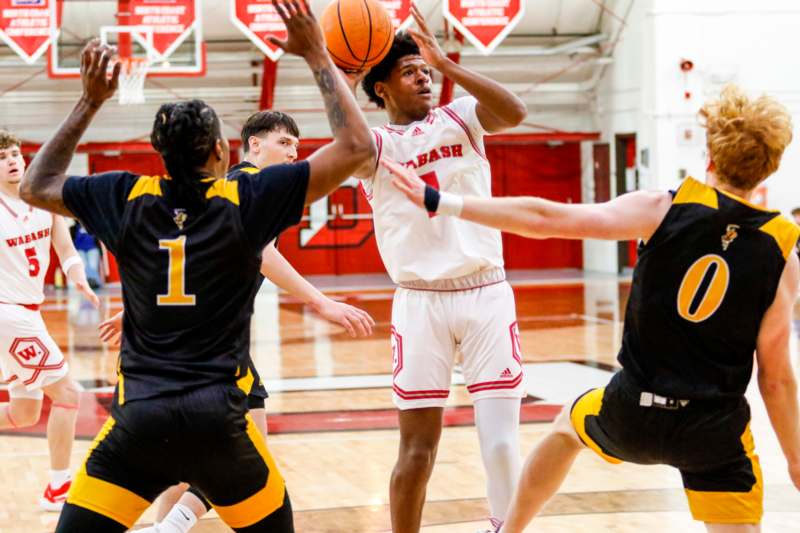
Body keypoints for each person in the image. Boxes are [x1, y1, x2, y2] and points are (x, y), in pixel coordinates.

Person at [20, 0, 376, 530]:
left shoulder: (125, 195)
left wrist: (90, 102)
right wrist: (319, 54)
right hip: (218, 422)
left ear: (160, 153)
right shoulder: (246, 196)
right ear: (219, 150)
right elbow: (357, 145)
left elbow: (34, 186)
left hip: (139, 419)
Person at [384, 84, 800, 533]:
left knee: (567, 428)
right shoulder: (782, 251)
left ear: (711, 156)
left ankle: (509, 530)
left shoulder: (663, 207)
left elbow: (545, 219)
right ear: (769, 170)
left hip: (631, 411)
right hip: (713, 431)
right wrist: (796, 462)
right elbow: (775, 378)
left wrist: (441, 201)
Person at [101, 109, 376, 533]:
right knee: (247, 448)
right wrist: (321, 302)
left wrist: (137, 310)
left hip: (183, 345)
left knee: (181, 456)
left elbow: (184, 257)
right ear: (253, 144)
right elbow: (264, 254)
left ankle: (164, 529)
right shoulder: (244, 186)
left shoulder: (224, 187)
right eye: (284, 143)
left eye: (297, 148)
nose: (292, 154)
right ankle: (170, 526)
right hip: (212, 352)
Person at [352, 5, 527, 532]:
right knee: (417, 452)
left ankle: (507, 527)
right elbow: (348, 139)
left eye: (425, 69)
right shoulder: (374, 147)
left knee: (499, 444)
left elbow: (515, 113)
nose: (423, 76)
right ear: (381, 89)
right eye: (409, 71)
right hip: (419, 300)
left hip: (486, 291)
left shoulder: (462, 118)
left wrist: (448, 66)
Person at [0, 129, 99, 511]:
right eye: (2, 156)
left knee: (23, 414)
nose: (12, 160)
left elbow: (65, 247)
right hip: (8, 315)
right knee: (69, 395)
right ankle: (58, 489)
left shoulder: (40, 198)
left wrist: (79, 280)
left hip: (29, 312)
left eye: (14, 153)